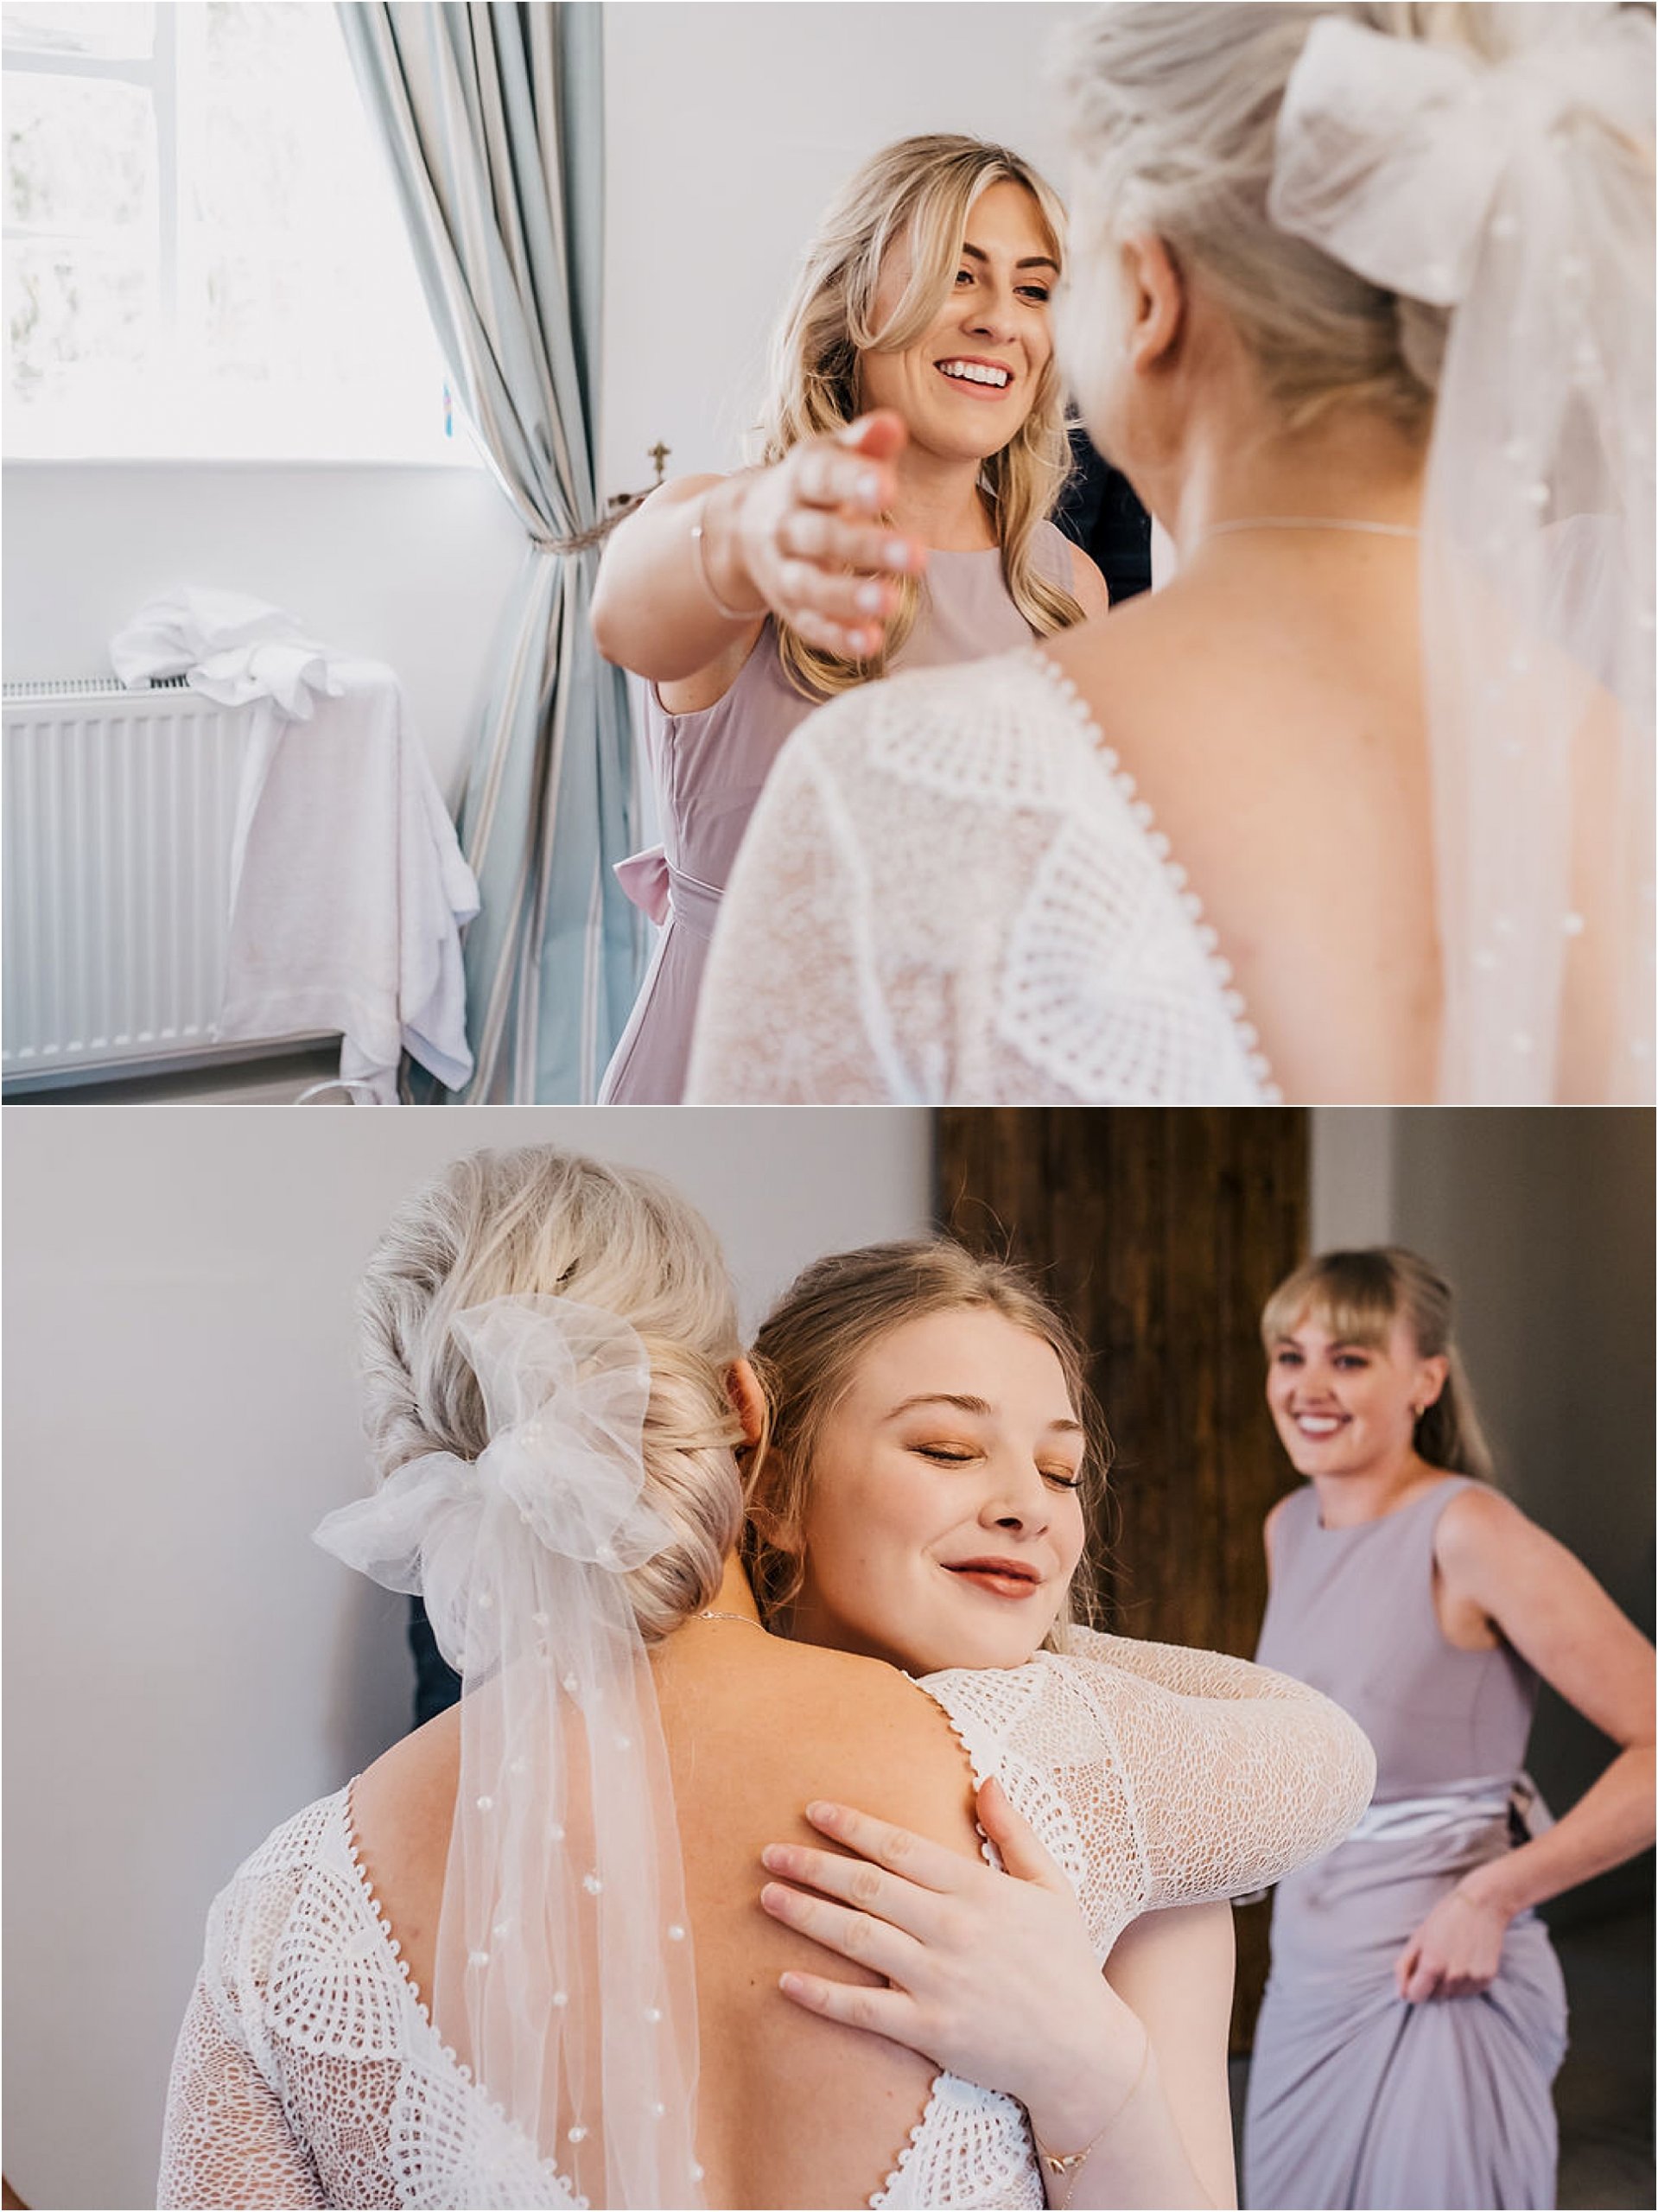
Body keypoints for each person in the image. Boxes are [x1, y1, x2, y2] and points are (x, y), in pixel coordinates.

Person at [156, 1149, 1371, 2209]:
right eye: (944, 1448)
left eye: (1061, 1476)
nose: (1025, 1511)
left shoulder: (282, 1918)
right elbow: (1317, 1752)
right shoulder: (1075, 1772)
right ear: (755, 1433)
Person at [687, 2, 1654, 1108]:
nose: (1008, 319)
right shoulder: (1626, 781)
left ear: (1147, 296)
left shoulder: (908, 786)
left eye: (1058, 278)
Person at [588, 132, 1108, 1104]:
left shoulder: (1068, 590)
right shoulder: (745, 530)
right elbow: (624, 613)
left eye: (1033, 290)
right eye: (961, 275)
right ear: (852, 302)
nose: (1001, 321)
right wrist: (744, 535)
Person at [1242, 1246, 1655, 2210]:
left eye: (1347, 1359)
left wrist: (1491, 1897)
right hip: (1306, 1975)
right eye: (1287, 1355)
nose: (1308, 1386)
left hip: (1437, 1978)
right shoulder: (1286, 1528)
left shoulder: (1463, 1530)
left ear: (1423, 1378)